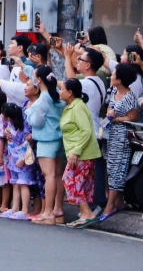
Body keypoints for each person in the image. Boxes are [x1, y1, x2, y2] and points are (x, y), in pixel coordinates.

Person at [99, 62, 140, 221]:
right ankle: (118, 201)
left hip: (121, 137)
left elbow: (133, 118)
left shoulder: (129, 97)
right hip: (109, 135)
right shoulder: (113, 91)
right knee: (110, 167)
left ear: (120, 79)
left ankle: (110, 207)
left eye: (114, 74)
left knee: (117, 170)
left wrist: (116, 119)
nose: (111, 76)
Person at [25, 66, 65, 224]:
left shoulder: (43, 98)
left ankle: (48, 212)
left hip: (46, 140)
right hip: (58, 137)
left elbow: (37, 122)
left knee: (49, 175)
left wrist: (29, 112)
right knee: (57, 175)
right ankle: (58, 209)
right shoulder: (56, 96)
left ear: (39, 80)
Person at [59, 78, 101, 228]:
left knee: (70, 180)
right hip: (79, 152)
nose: (60, 92)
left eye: (62, 89)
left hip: (83, 153)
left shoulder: (78, 107)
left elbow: (86, 131)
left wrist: (76, 152)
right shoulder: (71, 106)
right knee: (80, 183)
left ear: (69, 92)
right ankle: (85, 213)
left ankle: (87, 213)